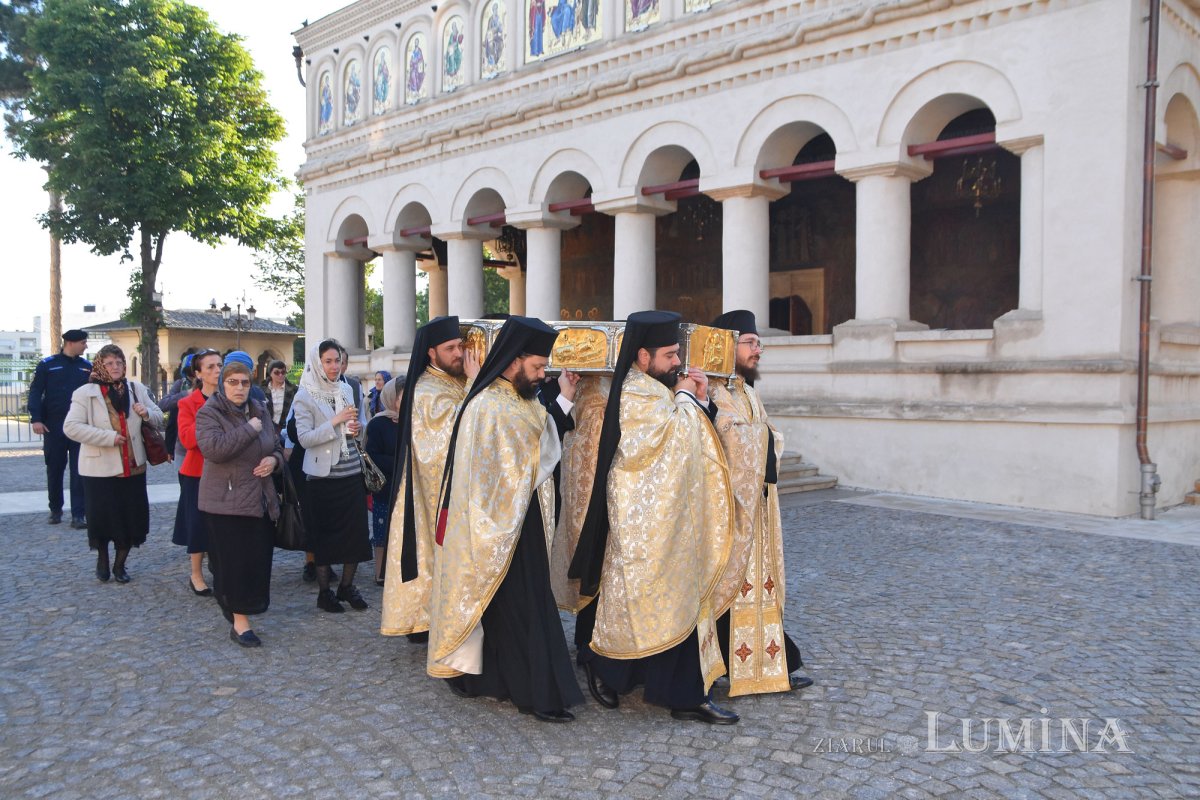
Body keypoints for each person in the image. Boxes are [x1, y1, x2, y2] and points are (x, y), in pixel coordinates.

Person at [568, 310, 737, 724]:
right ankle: (606, 666)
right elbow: (668, 445)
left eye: (677, 353)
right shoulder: (634, 393)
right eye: (670, 354)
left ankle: (678, 691)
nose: (678, 362)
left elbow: (685, 442)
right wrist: (687, 399)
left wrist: (695, 400)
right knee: (642, 601)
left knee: (669, 601)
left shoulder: (655, 389)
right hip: (642, 520)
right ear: (643, 356)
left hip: (670, 518)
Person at [427, 316, 583, 722]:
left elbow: (542, 437)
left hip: (520, 519)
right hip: (496, 526)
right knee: (520, 608)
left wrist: (564, 398)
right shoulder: (488, 405)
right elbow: (514, 465)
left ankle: (493, 680)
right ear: (514, 361)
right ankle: (537, 694)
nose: (543, 375)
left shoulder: (520, 399)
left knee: (511, 606)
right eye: (538, 367)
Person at [707, 310, 813, 695]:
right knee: (726, 588)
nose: (758, 350)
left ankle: (768, 665)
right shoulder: (713, 392)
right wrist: (764, 438)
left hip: (757, 507)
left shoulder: (746, 391)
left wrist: (765, 438)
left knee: (756, 588)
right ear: (727, 346)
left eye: (758, 343)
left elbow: (766, 435)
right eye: (750, 343)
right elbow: (729, 440)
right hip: (728, 510)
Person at [380, 316, 473, 643]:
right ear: (431, 352)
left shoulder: (454, 380)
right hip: (428, 492)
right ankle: (424, 621)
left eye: (460, 346)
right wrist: (475, 387)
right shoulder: (426, 389)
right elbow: (449, 437)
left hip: (451, 490)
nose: (459, 354)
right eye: (450, 348)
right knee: (428, 555)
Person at [195, 358, 284, 648]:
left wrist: (273, 461)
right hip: (226, 502)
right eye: (232, 382)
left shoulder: (259, 409)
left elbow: (277, 446)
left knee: (256, 561)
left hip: (259, 499)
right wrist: (250, 429)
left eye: (245, 382)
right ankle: (240, 622)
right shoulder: (209, 412)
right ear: (223, 385)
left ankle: (235, 603)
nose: (239, 388)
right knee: (234, 563)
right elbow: (214, 449)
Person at [63, 344, 163, 583]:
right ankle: (103, 558)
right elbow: (71, 427)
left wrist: (146, 413)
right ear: (100, 366)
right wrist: (108, 438)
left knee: (130, 518)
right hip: (99, 470)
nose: (115, 367)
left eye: (119, 362)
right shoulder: (85, 393)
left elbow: (160, 417)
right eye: (109, 363)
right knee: (103, 519)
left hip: (133, 467)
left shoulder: (136, 389)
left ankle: (120, 565)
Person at [292, 339, 372, 613]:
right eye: (328, 361)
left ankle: (347, 587)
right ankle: (325, 593)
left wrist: (356, 429)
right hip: (322, 478)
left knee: (356, 535)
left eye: (337, 360)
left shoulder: (347, 389)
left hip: (351, 473)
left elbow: (354, 430)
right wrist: (336, 421)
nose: (334, 366)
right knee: (324, 538)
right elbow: (304, 439)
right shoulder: (305, 395)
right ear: (318, 363)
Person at [29, 329, 92, 527]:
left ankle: (78, 515)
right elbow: (36, 391)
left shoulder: (86, 367)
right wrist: (36, 419)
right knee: (55, 468)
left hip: (79, 426)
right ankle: (55, 509)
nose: (85, 346)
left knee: (79, 471)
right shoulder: (48, 365)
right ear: (70, 343)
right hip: (54, 426)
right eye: (83, 342)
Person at [173, 348, 223, 596]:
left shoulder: (231, 398)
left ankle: (221, 567)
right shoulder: (187, 403)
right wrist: (207, 413)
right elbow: (187, 439)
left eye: (219, 365)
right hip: (197, 472)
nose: (217, 370)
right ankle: (196, 574)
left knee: (221, 523)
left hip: (225, 470)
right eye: (210, 367)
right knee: (197, 523)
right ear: (199, 373)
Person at [364, 375, 404, 586]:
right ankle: (380, 572)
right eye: (401, 396)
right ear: (391, 397)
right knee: (382, 532)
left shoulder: (413, 420)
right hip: (385, 486)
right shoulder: (378, 423)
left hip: (407, 486)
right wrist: (400, 462)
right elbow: (372, 455)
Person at [262, 359, 297, 435]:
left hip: (286, 430)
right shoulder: (262, 390)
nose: (280, 375)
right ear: (270, 373)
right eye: (277, 373)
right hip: (267, 430)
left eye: (283, 372)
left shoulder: (294, 390)